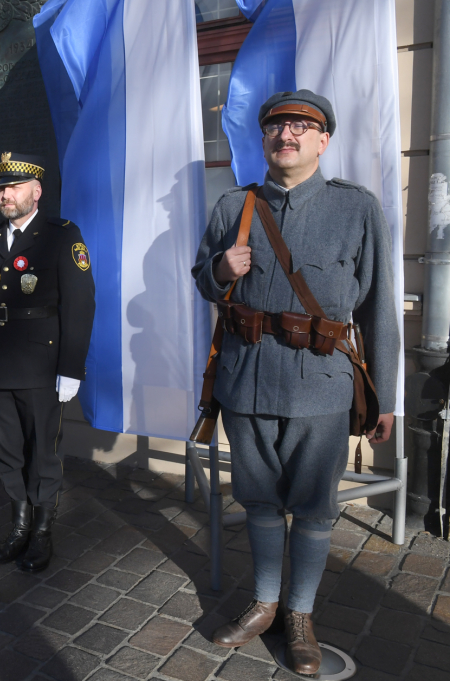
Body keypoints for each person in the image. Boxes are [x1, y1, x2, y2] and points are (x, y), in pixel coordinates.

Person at [191, 90, 398, 675]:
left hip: (322, 384)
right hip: (248, 380)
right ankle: (263, 603)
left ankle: (300, 616)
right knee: (257, 501)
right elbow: (202, 279)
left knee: (312, 509)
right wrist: (218, 271)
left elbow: (379, 305)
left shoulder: (355, 208)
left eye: (303, 126)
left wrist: (386, 394)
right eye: (277, 126)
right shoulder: (235, 204)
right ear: (263, 139)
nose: (288, 135)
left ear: (323, 140)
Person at [0, 152, 96, 573]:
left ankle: (41, 531)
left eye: (14, 187)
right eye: (1, 188)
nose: (5, 194)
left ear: (36, 192)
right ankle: (18, 524)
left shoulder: (61, 236)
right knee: (7, 449)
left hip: (43, 364)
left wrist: (71, 367)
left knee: (42, 450)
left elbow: (81, 304)